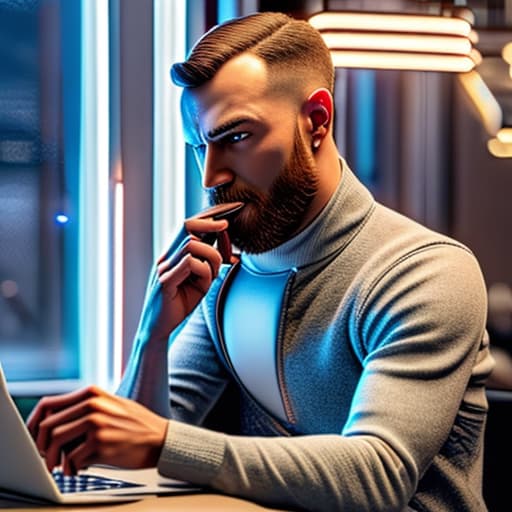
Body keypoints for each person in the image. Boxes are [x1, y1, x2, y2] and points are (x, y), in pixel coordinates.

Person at [27, 11, 494, 512]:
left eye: (235, 137)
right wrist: (152, 335)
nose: (210, 176)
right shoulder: (227, 274)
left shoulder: (426, 273)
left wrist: (166, 444)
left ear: (316, 120)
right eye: (199, 147)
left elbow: (377, 477)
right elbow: (133, 456)